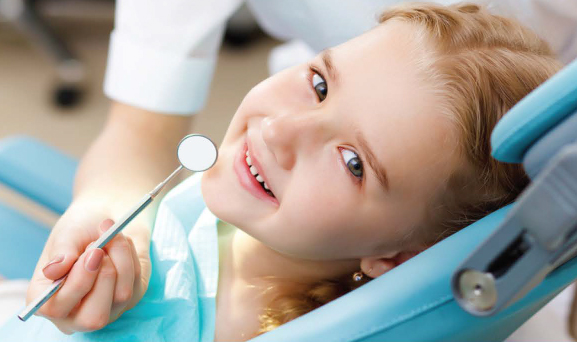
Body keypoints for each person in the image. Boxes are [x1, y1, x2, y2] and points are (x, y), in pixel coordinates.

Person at [0, 2, 566, 341]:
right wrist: (102, 208)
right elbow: (136, 136)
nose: (278, 131)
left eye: (353, 164)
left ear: (396, 258)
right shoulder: (253, 216)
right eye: (319, 84)